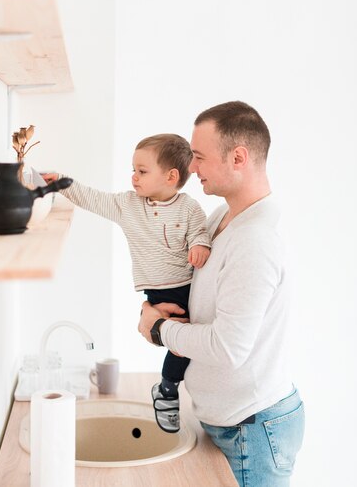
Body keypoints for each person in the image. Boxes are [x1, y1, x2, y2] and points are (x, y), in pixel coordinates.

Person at [138, 102, 305, 487]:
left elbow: (229, 346)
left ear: (238, 157)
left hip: (252, 430)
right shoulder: (221, 220)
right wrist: (155, 311)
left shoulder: (255, 242)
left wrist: (160, 329)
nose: (191, 168)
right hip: (233, 422)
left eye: (199, 157)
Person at [43, 133, 211, 433]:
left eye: (142, 171)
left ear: (171, 177)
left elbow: (200, 231)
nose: (133, 177)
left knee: (184, 345)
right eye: (133, 169)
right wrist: (62, 182)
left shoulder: (189, 208)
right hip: (157, 291)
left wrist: (200, 245)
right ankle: (170, 389)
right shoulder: (128, 205)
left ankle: (168, 389)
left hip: (188, 287)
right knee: (177, 342)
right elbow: (93, 198)